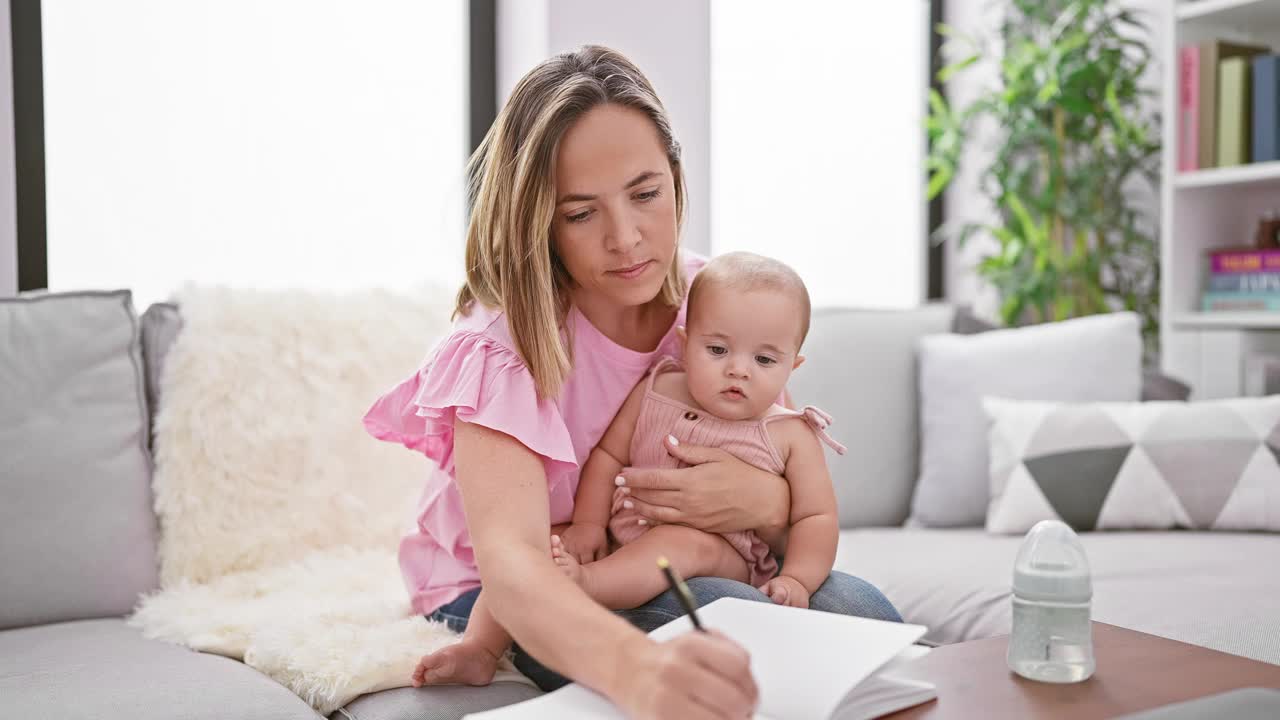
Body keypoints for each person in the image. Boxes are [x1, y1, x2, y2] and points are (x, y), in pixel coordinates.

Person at [363, 45, 901, 719]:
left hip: (678, 559)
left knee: (863, 611)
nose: (626, 238)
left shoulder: (718, 309)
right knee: (730, 623)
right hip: (508, 593)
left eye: (645, 194)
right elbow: (517, 569)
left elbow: (791, 510)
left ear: (675, 177)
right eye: (581, 213)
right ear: (540, 222)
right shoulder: (502, 348)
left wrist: (762, 504)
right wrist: (638, 671)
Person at [416, 252, 847, 686]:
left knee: (686, 545)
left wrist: (797, 579)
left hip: (722, 556)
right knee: (545, 548)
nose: (738, 369)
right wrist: (586, 525)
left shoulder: (792, 434)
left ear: (793, 365)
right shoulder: (659, 388)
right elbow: (606, 457)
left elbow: (816, 516)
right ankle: (480, 648)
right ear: (685, 341)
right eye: (717, 350)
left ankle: (586, 584)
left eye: (766, 361)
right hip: (619, 541)